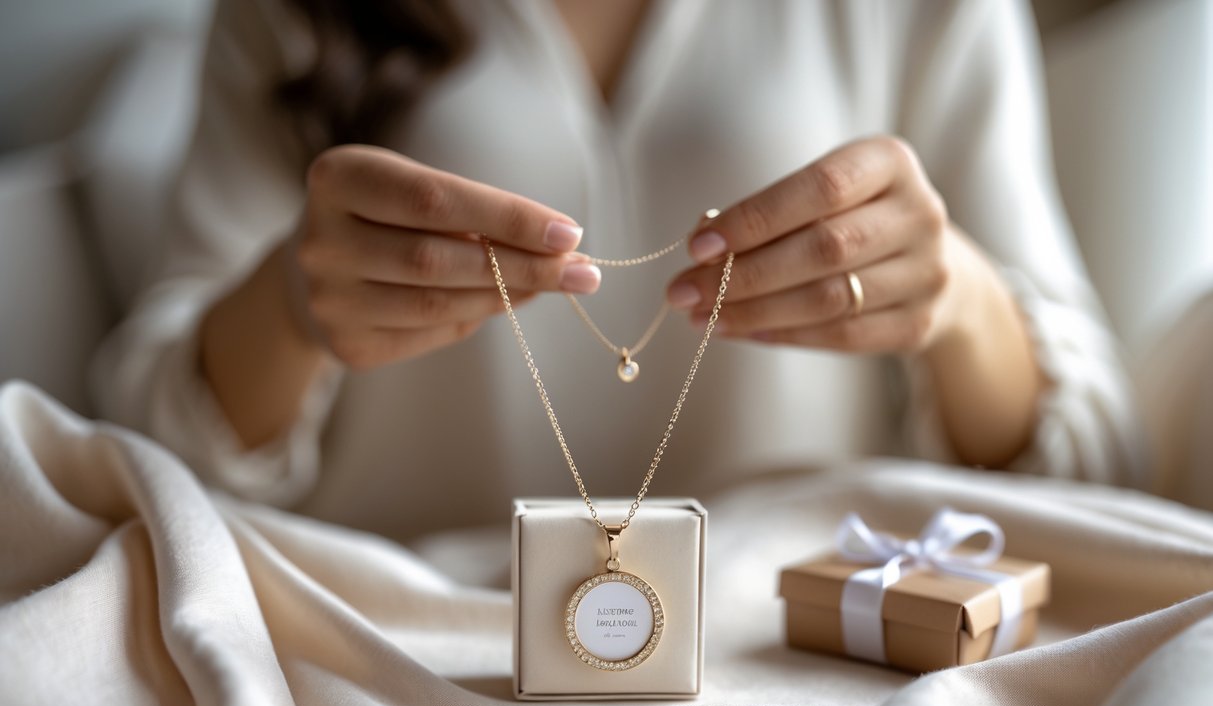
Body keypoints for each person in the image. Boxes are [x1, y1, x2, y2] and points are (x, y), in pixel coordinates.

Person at [91, 0, 1141, 543]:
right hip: (387, 639)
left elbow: (1098, 471)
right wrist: (290, 306)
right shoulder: (289, 14)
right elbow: (143, 453)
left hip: (801, 654)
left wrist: (955, 299)